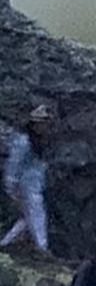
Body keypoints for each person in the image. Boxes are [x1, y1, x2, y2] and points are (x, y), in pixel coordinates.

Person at [2, 104, 54, 252]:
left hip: (34, 186)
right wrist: (12, 189)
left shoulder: (36, 142)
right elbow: (13, 166)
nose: (45, 127)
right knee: (37, 216)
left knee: (27, 219)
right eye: (43, 123)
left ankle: (5, 244)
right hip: (25, 188)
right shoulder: (23, 142)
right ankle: (42, 248)